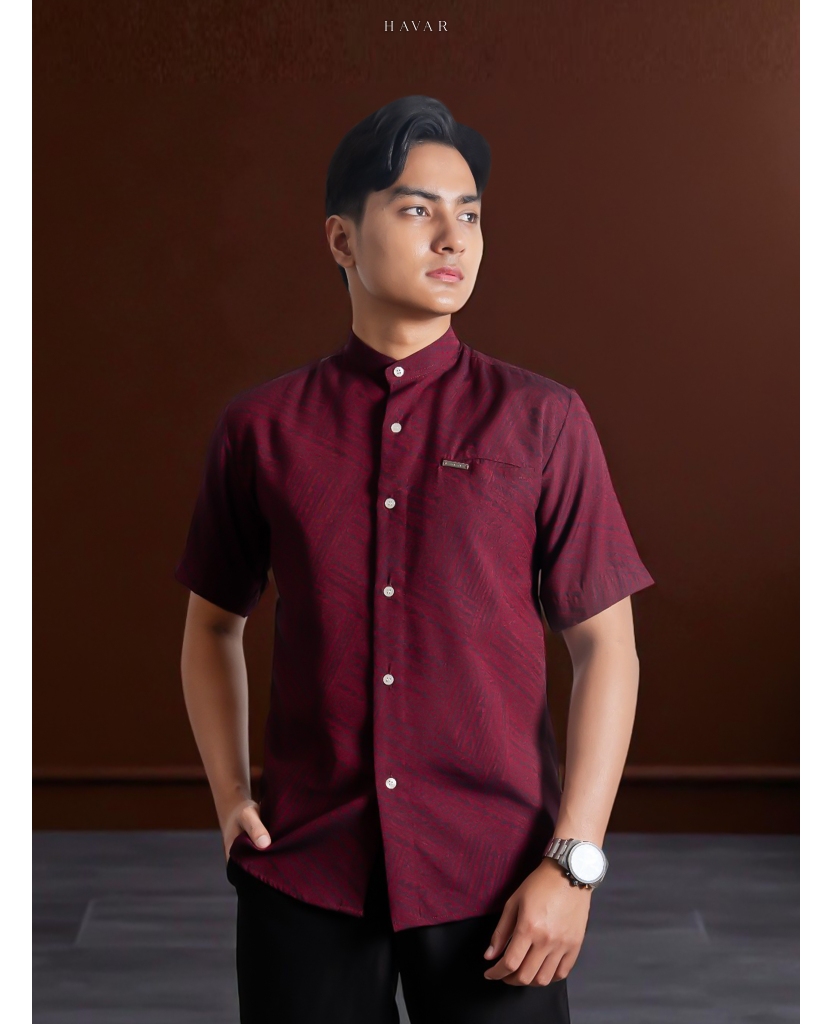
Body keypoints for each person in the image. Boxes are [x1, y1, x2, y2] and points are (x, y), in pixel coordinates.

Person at [175, 94, 655, 1024]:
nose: (452, 237)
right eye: (415, 209)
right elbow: (210, 627)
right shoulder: (261, 429)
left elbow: (608, 649)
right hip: (307, 870)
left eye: (468, 214)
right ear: (341, 240)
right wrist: (232, 800)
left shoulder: (543, 420)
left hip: (499, 877)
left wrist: (573, 865)